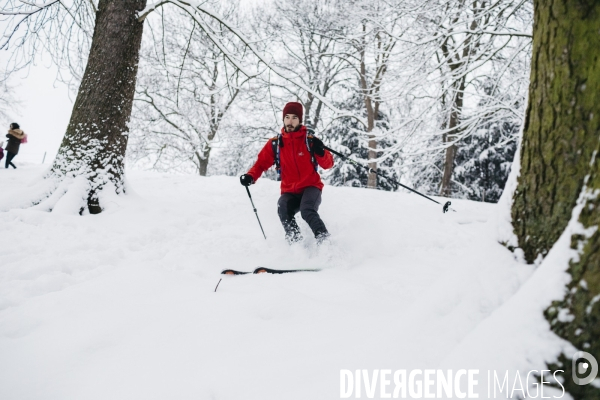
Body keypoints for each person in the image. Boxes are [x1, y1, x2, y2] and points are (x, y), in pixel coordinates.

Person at [240, 102, 334, 244]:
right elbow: (260, 164)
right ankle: (295, 246)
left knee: (307, 210)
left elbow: (328, 164)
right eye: (287, 117)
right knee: (283, 208)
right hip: (289, 190)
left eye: (294, 117)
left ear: (300, 120)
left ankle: (325, 243)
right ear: (283, 119)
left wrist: (321, 152)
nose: (290, 121)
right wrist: (250, 176)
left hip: (311, 187)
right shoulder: (275, 144)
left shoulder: (310, 141)